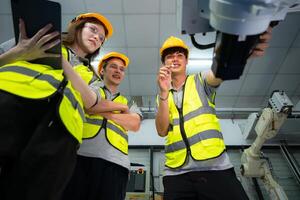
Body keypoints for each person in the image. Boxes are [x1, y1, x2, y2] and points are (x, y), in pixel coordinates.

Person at [0, 12, 116, 200]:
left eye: (101, 38)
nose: (97, 38)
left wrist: (60, 61)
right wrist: (19, 52)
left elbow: (92, 101)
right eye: (93, 30)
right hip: (11, 105)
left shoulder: (94, 75)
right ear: (77, 27)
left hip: (61, 132)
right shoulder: (35, 39)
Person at [155, 29, 272, 200]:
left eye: (179, 55)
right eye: (169, 56)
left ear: (186, 61)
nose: (174, 58)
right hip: (176, 173)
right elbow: (161, 130)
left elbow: (218, 72)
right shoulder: (162, 96)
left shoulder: (201, 80)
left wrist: (238, 51)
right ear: (164, 63)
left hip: (214, 168)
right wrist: (163, 93)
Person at [62, 52, 142, 200]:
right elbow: (89, 105)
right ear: (102, 70)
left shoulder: (129, 102)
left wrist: (103, 111)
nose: (118, 71)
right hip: (81, 157)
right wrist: (120, 109)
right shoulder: (90, 90)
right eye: (113, 67)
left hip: (116, 163)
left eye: (122, 69)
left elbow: (134, 124)